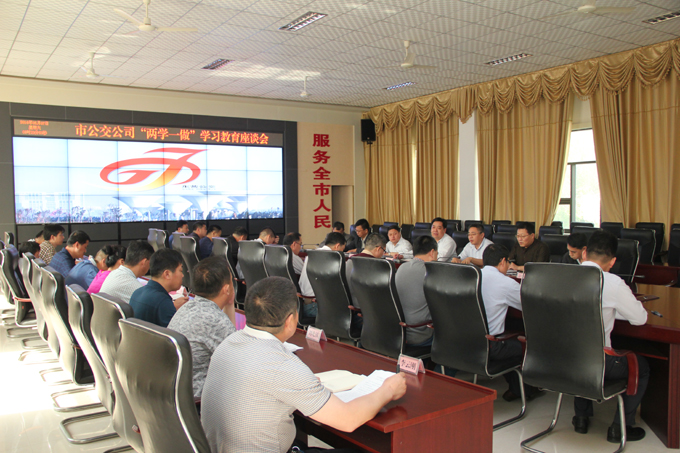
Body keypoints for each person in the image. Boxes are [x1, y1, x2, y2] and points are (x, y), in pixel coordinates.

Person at [201, 276, 407, 453]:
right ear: (290, 320)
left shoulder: (229, 343)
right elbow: (348, 420)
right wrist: (388, 390)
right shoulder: (282, 365)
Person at [572, 230, 649, 443]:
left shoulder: (562, 276)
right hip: (598, 364)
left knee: (579, 347)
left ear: (584, 253)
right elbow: (640, 319)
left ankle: (581, 418)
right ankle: (620, 427)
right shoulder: (613, 283)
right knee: (641, 367)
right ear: (613, 261)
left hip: (563, 360)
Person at [168, 256, 236, 398]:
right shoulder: (215, 321)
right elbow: (241, 364)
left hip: (177, 394)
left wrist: (229, 304)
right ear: (226, 289)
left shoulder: (188, 307)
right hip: (199, 400)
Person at [480, 244, 540, 402]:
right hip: (491, 346)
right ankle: (523, 390)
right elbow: (530, 307)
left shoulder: (472, 277)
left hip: (468, 342)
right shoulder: (505, 283)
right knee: (527, 345)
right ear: (502, 261)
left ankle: (516, 388)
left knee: (508, 336)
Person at [394, 235, 438, 346]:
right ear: (432, 252)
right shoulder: (431, 272)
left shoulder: (401, 268)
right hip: (421, 335)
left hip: (399, 333)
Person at [129, 248, 189, 328]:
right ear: (167, 274)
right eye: (180, 270)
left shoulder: (137, 292)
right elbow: (177, 333)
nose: (182, 275)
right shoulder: (162, 302)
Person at [298, 232, 346, 299]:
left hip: (303, 297)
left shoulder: (311, 254)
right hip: (316, 300)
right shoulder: (331, 258)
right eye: (342, 250)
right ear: (337, 246)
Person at [345, 233, 386, 310]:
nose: (383, 254)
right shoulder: (375, 264)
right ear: (378, 249)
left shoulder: (350, 260)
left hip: (348, 305)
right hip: (367, 309)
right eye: (383, 251)